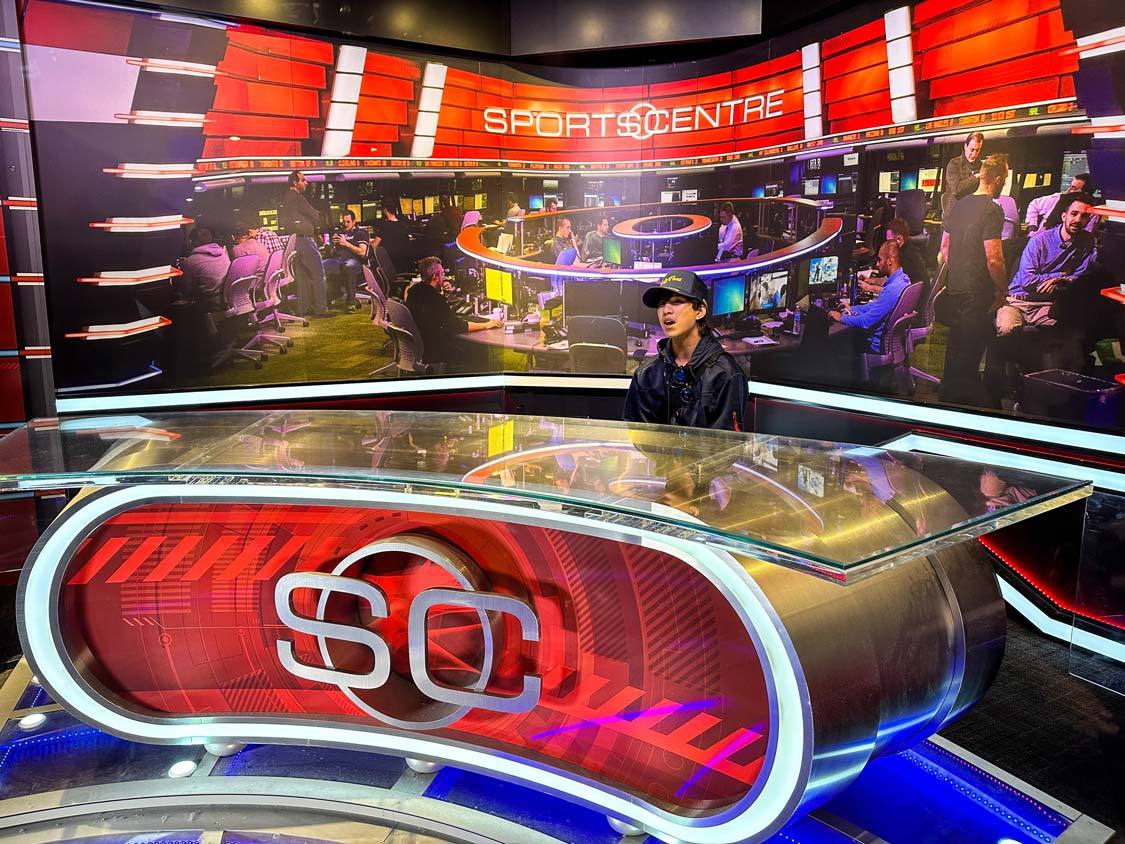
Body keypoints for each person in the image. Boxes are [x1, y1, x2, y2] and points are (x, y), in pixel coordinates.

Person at [624, 270, 748, 430]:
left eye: (676, 302)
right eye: (661, 303)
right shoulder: (646, 374)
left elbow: (726, 446)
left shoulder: (726, 374)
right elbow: (637, 435)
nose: (666, 310)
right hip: (657, 456)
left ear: (700, 311)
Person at [938, 153, 1009, 407]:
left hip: (955, 289)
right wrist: (1003, 289)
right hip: (977, 293)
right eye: (1005, 178)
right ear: (998, 178)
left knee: (954, 351)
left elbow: (944, 250)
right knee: (970, 356)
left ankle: (946, 403)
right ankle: (965, 412)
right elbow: (994, 259)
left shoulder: (957, 206)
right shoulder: (992, 210)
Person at [996, 193, 1098, 341]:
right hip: (1017, 301)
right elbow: (1027, 280)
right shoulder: (1040, 240)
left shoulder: (1086, 241)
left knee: (1070, 333)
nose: (1077, 220)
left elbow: (1079, 277)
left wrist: (1058, 281)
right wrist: (1059, 276)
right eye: (1074, 214)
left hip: (1046, 304)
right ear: (1064, 216)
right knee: (1007, 330)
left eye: (1084, 216)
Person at [405, 256, 500, 370]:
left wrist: (443, 294)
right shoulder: (435, 299)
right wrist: (486, 325)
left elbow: (433, 313)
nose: (444, 277)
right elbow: (457, 326)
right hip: (434, 348)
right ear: (435, 277)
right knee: (477, 344)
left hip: (421, 343)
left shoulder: (414, 290)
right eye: (442, 274)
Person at [829, 241, 911, 353]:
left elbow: (866, 322)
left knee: (835, 340)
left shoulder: (891, 290)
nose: (877, 264)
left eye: (879, 260)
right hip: (892, 345)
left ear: (890, 261)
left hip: (875, 347)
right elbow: (876, 306)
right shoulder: (904, 280)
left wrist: (841, 318)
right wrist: (853, 309)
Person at [860, 217, 928, 294]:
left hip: (914, 303)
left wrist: (870, 288)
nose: (887, 244)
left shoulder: (905, 257)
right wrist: (872, 281)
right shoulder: (909, 250)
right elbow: (892, 281)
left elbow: (894, 291)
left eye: (889, 241)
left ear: (899, 239)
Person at [322, 210, 369, 312]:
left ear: (354, 221)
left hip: (354, 260)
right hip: (338, 260)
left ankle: (351, 302)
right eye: (344, 222)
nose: (345, 224)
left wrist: (346, 243)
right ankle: (324, 299)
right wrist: (333, 244)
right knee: (321, 265)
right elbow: (333, 252)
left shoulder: (360, 233)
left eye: (348, 222)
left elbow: (362, 252)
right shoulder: (340, 233)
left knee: (349, 266)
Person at [179, 227, 230, 312]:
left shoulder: (191, 261)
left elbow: (188, 291)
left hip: (209, 304)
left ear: (192, 242)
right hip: (227, 300)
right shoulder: (222, 253)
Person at [1025, 173, 1091, 232]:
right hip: (1038, 238)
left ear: (1085, 194)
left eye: (1073, 188)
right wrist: (1032, 226)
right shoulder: (1057, 198)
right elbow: (1034, 204)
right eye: (1070, 186)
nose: (1068, 190)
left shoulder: (1092, 212)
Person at [941, 132, 983, 218]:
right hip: (955, 215)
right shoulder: (954, 164)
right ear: (965, 147)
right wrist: (975, 177)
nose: (974, 154)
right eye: (972, 149)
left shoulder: (981, 166)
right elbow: (956, 189)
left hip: (974, 214)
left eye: (977, 150)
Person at [372, 202, 410, 272]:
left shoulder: (384, 226)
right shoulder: (403, 224)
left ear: (385, 210)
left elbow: (374, 246)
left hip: (390, 262)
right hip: (404, 263)